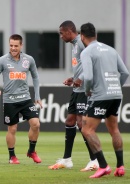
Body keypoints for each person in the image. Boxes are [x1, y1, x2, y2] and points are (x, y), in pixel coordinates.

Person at [80, 22, 129, 178]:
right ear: (96, 35)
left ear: (82, 36)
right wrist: (115, 87)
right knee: (114, 128)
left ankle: (103, 166)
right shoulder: (111, 49)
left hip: (100, 95)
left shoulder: (87, 52)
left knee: (86, 129)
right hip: (116, 95)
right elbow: (125, 73)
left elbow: (87, 77)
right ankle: (120, 166)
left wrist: (88, 91)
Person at [49, 20, 99, 171]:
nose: (60, 36)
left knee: (81, 123)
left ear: (69, 31)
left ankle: (94, 160)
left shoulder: (82, 43)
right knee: (70, 121)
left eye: (61, 33)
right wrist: (74, 78)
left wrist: (81, 79)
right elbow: (81, 67)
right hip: (77, 89)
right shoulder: (74, 45)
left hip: (85, 90)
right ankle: (67, 159)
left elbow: (92, 63)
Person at [0, 34, 42, 164]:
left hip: (25, 98)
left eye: (16, 46)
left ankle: (31, 151)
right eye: (11, 45)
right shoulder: (2, 60)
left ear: (21, 45)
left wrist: (37, 96)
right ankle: (12, 156)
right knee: (12, 129)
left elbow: (35, 77)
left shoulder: (29, 59)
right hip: (10, 100)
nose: (13, 48)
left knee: (36, 124)